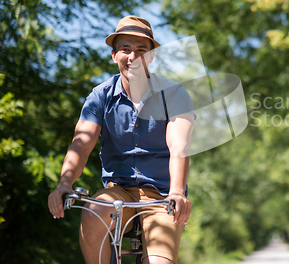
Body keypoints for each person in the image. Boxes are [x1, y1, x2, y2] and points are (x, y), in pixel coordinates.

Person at [48, 15, 195, 264]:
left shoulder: (174, 95)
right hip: (118, 192)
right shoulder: (100, 96)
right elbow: (81, 143)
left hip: (161, 197)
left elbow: (178, 145)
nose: (133, 57)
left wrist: (177, 192)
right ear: (114, 55)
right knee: (94, 210)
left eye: (141, 50)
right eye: (125, 49)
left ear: (151, 56)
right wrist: (64, 183)